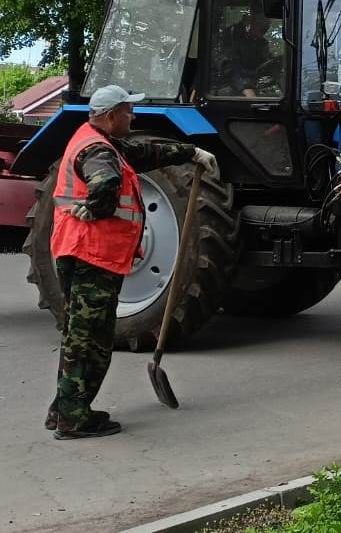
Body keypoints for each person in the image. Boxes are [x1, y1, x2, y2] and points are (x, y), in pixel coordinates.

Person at [46, 84, 218, 439]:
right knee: (89, 337)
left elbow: (144, 152)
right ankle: (73, 418)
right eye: (127, 111)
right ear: (110, 116)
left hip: (86, 252)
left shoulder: (102, 140)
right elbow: (106, 179)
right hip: (90, 255)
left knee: (83, 333)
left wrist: (190, 152)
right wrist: (98, 204)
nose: (133, 116)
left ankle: (64, 407)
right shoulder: (97, 150)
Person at [222, 9, 272, 97]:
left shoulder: (262, 44)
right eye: (261, 28)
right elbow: (228, 66)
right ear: (250, 23)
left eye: (265, 30)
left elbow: (267, 63)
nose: (262, 34)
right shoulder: (232, 39)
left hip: (252, 82)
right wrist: (244, 88)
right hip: (229, 84)